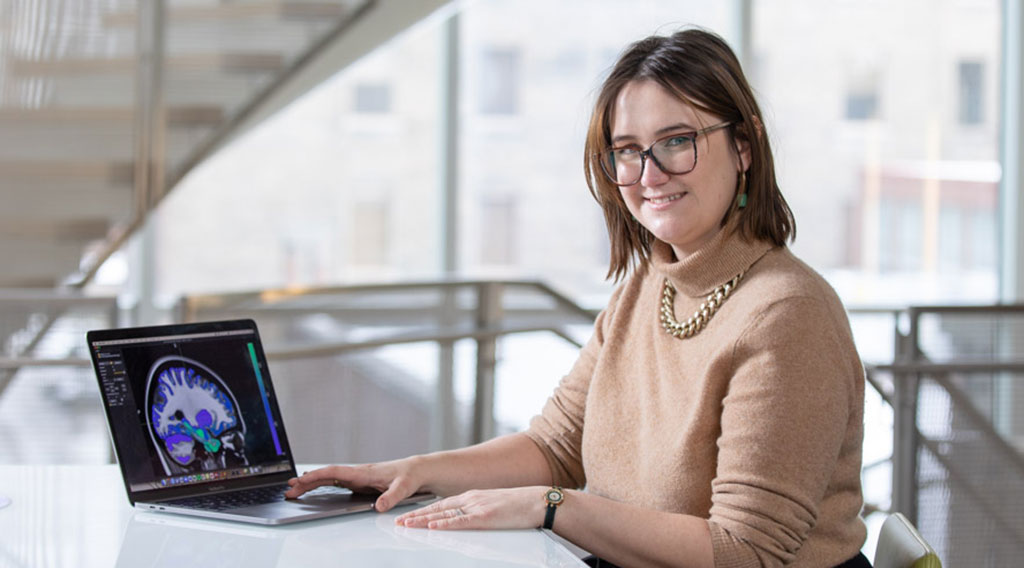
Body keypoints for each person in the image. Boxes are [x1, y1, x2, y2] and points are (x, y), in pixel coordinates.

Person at [286, 28, 869, 568]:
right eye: (627, 150)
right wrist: (411, 471)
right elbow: (553, 447)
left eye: (677, 141)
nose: (649, 174)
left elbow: (746, 552)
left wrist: (553, 506)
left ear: (744, 146)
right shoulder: (646, 287)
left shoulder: (787, 315)